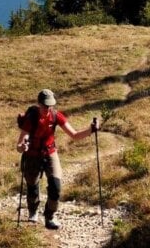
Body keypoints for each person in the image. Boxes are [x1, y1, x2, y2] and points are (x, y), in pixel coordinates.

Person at [16, 88, 97, 229]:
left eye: (50, 105)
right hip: (32, 155)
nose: (48, 108)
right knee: (32, 185)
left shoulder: (55, 116)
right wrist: (23, 147)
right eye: (45, 105)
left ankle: (49, 216)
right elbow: (19, 144)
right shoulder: (32, 118)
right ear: (39, 103)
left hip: (50, 153)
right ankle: (33, 211)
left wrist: (91, 130)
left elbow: (75, 135)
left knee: (56, 186)